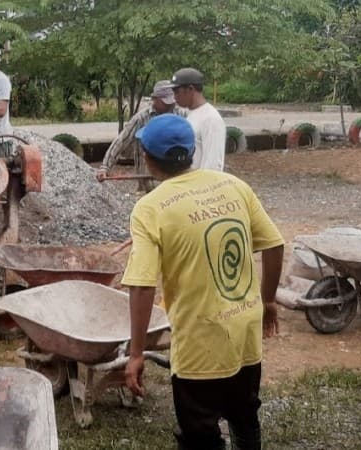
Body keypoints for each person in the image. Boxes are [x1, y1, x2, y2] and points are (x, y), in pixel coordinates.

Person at [121, 114, 284, 450]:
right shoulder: (233, 185)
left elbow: (141, 284)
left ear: (149, 159)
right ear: (192, 151)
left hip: (200, 342)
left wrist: (137, 352)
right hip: (245, 333)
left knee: (200, 432)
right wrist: (267, 302)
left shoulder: (150, 209)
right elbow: (274, 243)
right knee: (245, 415)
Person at [96, 80, 187, 191]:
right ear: (155, 99)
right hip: (149, 180)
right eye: (166, 102)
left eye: (172, 102)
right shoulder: (141, 118)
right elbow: (121, 141)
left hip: (174, 179)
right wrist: (105, 167)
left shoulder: (181, 115)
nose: (171, 105)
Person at [168, 67, 226, 171]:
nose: (174, 97)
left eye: (177, 92)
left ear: (190, 89)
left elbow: (213, 165)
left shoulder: (211, 119)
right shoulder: (190, 114)